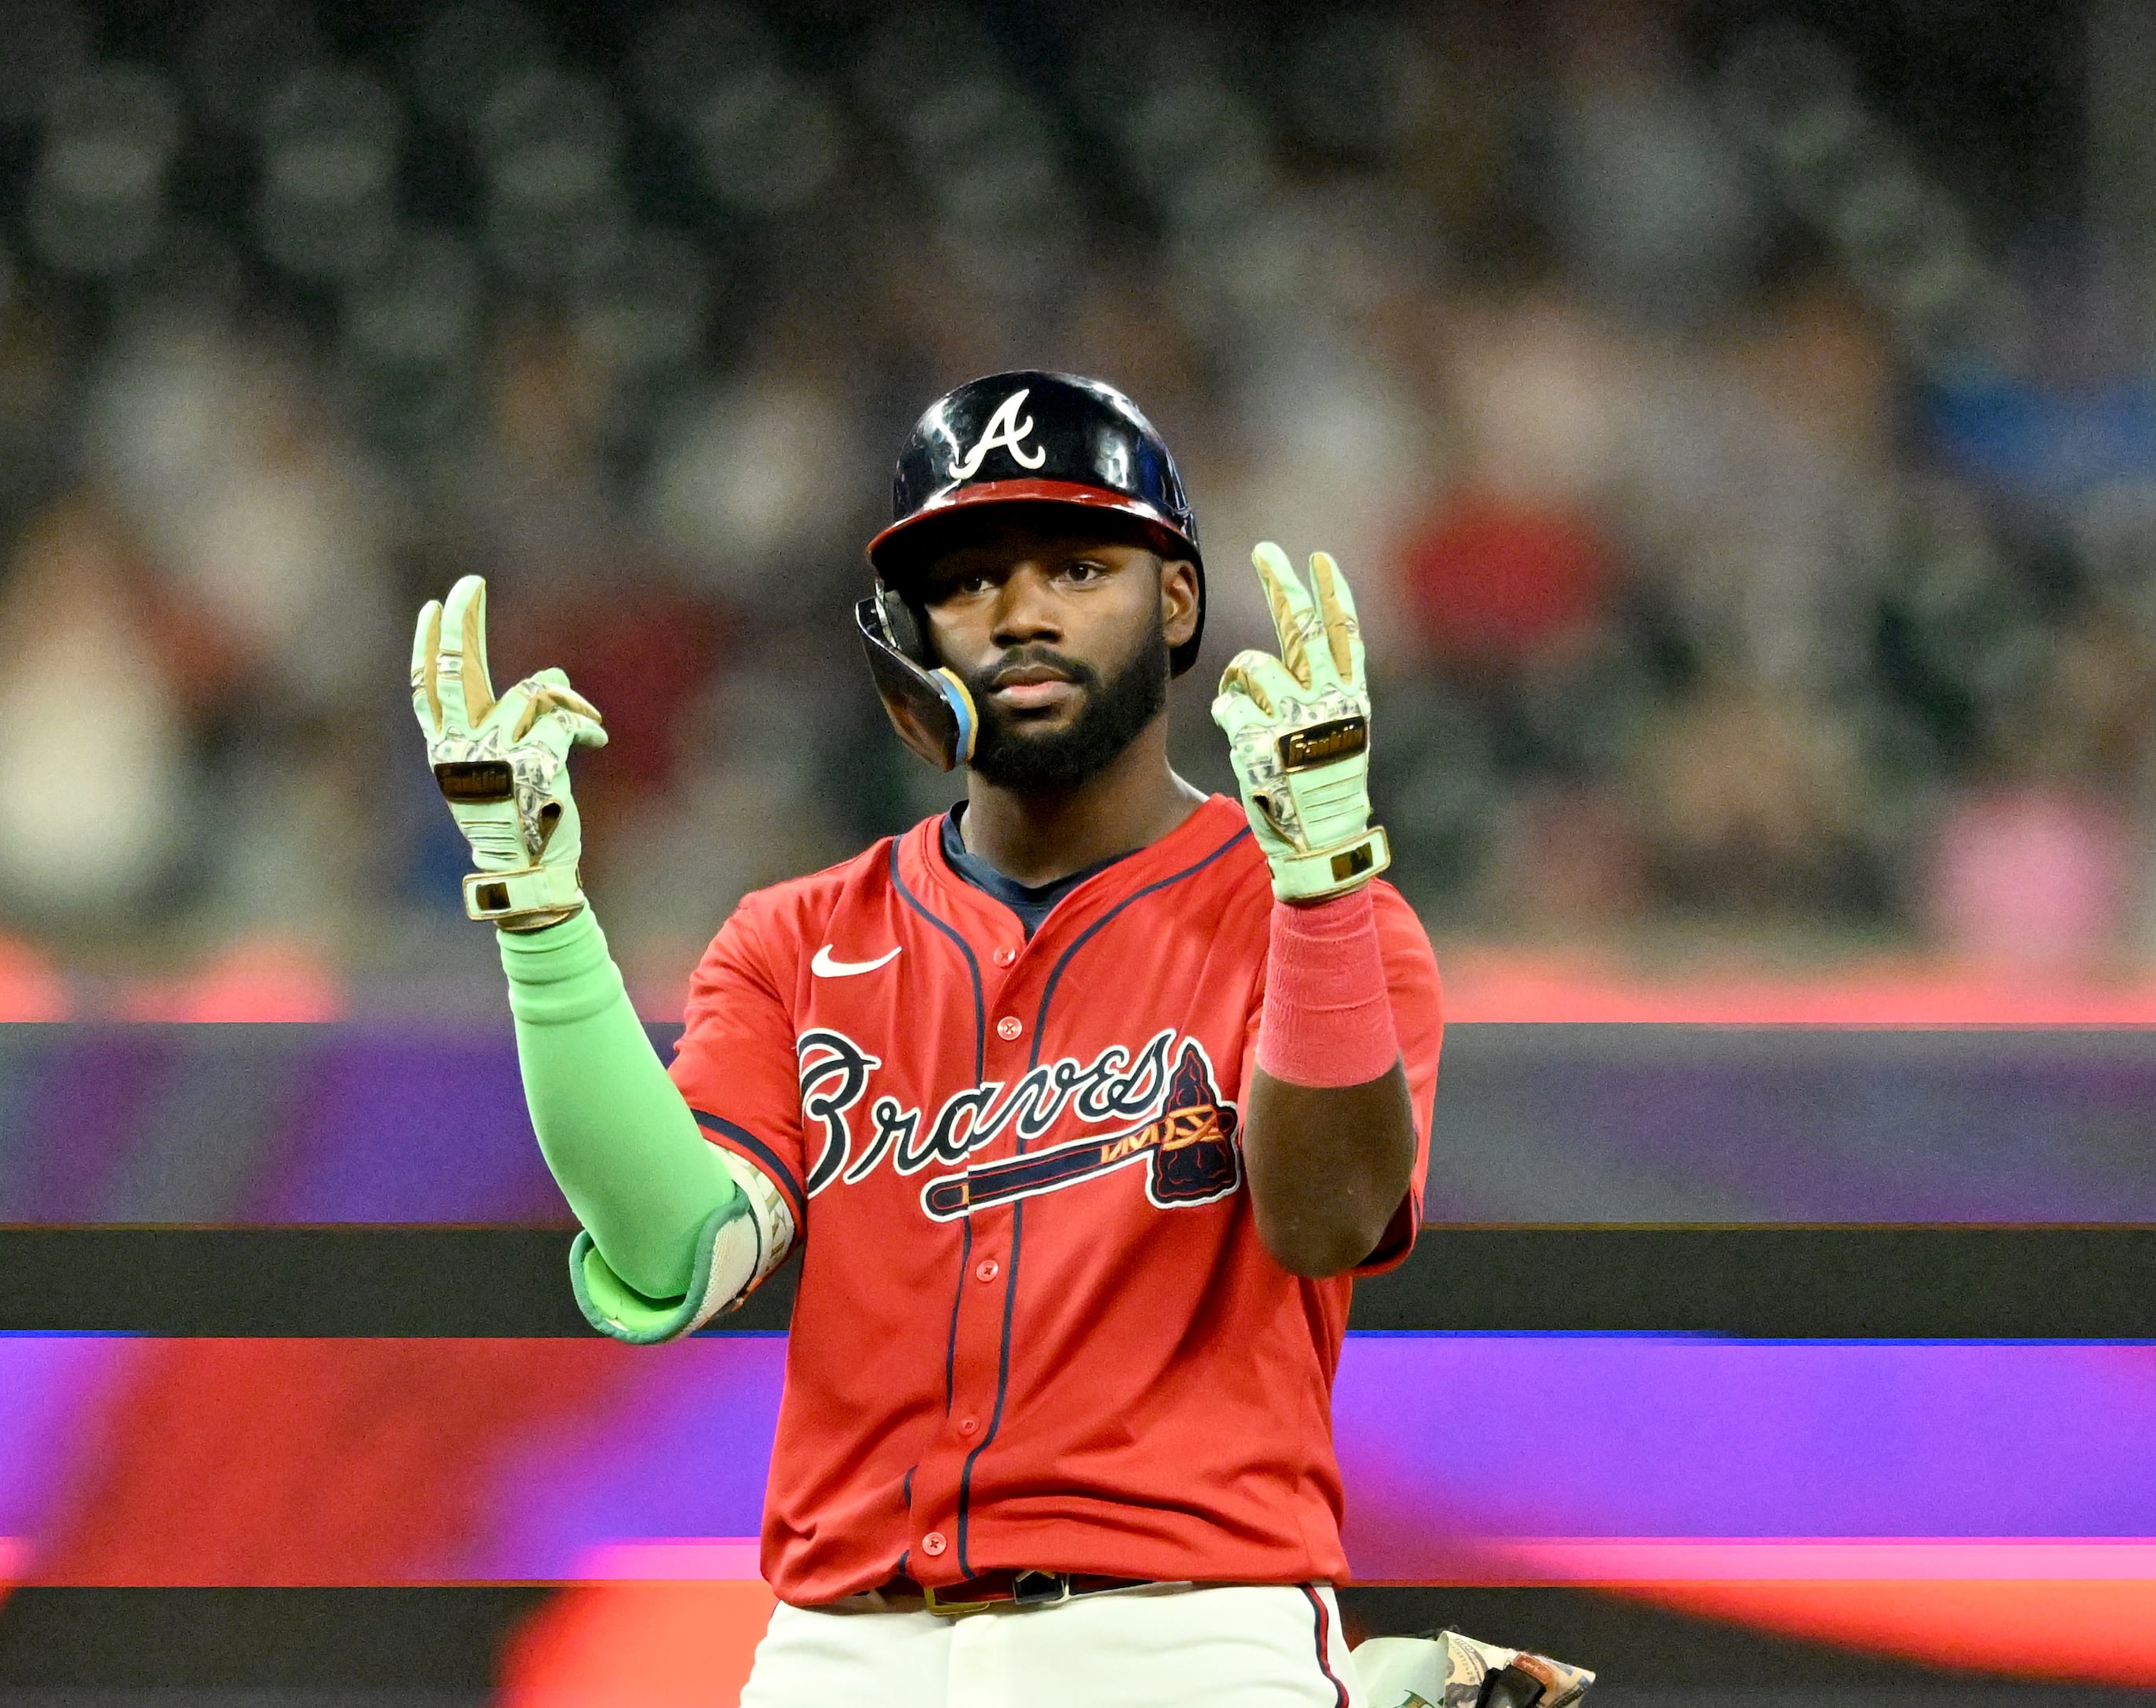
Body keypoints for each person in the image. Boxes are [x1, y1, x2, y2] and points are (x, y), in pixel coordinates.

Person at [411, 372, 1588, 1707]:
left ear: (1178, 600)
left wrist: (1319, 891)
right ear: (908, 636)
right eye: (968, 582)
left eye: (1080, 565)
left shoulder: (1316, 917)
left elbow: (1326, 1220)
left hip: (1184, 1637)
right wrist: (544, 921)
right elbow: (673, 1250)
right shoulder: (794, 940)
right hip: (838, 1649)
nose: (1022, 612)